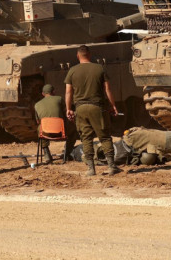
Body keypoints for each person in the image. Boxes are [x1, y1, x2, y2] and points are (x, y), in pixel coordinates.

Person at [64, 45, 121, 176]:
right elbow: (107, 89)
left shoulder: (72, 71)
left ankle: (91, 169)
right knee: (105, 137)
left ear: (78, 56)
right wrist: (113, 105)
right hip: (97, 107)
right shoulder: (99, 68)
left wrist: (68, 109)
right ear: (89, 55)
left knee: (86, 138)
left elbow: (68, 92)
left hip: (80, 108)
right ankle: (111, 166)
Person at [34, 84, 77, 164]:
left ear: (43, 94)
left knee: (40, 127)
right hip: (60, 132)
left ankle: (46, 153)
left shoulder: (37, 105)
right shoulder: (59, 99)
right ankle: (67, 153)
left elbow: (38, 121)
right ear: (53, 92)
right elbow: (66, 114)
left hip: (46, 134)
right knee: (73, 130)